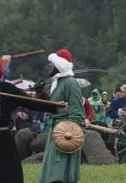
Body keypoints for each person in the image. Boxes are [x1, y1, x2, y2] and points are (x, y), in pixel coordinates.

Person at [37, 49, 84, 183]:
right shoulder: (57, 83)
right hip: (55, 129)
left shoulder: (70, 83)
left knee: (59, 170)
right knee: (51, 167)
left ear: (59, 65)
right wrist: (40, 95)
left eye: (51, 64)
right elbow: (52, 106)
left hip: (66, 132)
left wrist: (70, 132)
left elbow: (77, 111)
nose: (49, 66)